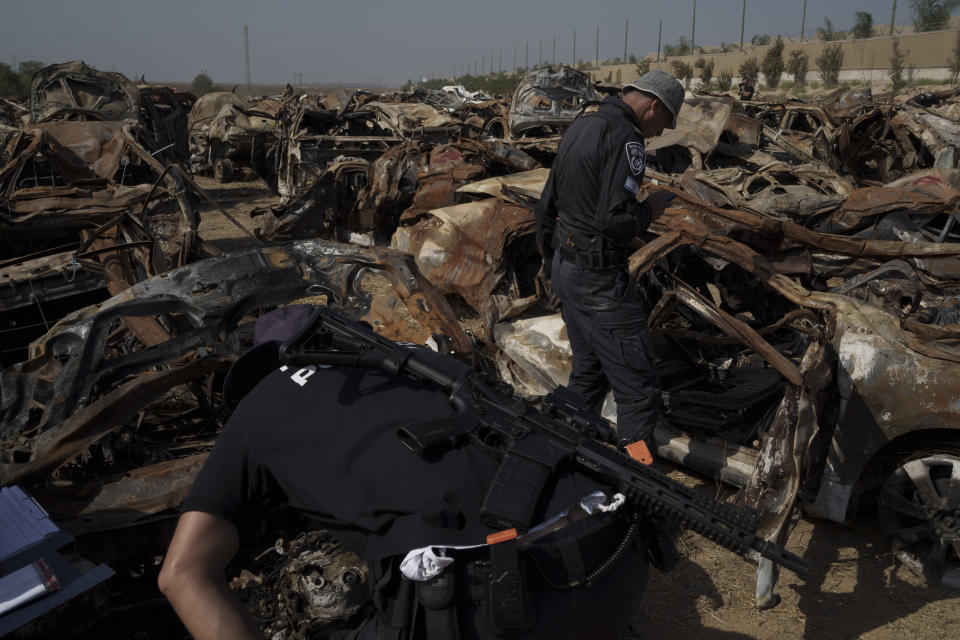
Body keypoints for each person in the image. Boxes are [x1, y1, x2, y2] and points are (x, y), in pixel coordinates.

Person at [159, 306, 649, 640]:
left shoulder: (259, 408)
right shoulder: (420, 362)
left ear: (265, 367)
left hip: (492, 614)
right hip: (616, 561)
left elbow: (181, 575)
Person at [534, 69, 683, 454]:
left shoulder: (582, 126)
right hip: (599, 283)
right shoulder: (627, 138)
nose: (661, 134)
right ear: (654, 106)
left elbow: (545, 206)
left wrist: (555, 265)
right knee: (638, 390)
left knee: (588, 375)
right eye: (666, 123)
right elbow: (615, 220)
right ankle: (635, 483)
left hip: (568, 270)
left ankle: (551, 453)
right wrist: (649, 210)